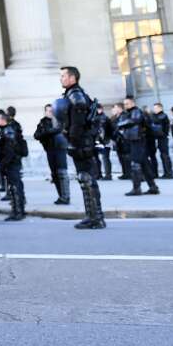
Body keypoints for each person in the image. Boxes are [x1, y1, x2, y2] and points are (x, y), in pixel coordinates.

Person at [58, 66, 105, 229]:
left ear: (73, 78)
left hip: (82, 144)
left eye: (63, 75)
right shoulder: (73, 94)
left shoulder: (76, 96)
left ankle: (96, 218)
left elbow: (77, 124)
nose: (61, 78)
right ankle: (92, 216)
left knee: (87, 179)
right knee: (84, 179)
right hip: (81, 143)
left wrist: (72, 141)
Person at [116, 96, 159, 196]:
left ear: (132, 103)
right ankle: (153, 187)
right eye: (125, 104)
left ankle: (136, 188)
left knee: (135, 164)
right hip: (135, 141)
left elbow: (134, 120)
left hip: (138, 141)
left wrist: (121, 124)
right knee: (144, 164)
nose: (125, 106)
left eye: (127, 103)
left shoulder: (136, 111)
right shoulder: (130, 113)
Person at [34, 104, 71, 204]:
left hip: (60, 150)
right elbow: (37, 135)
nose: (50, 113)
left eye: (52, 111)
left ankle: (66, 196)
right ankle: (61, 196)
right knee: (55, 174)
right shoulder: (43, 122)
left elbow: (66, 132)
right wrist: (49, 132)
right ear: (45, 112)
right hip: (50, 150)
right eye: (48, 111)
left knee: (62, 173)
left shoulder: (60, 121)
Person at [0, 111, 27, 221]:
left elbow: (10, 150)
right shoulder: (5, 130)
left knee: (15, 187)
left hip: (12, 163)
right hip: (11, 163)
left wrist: (3, 164)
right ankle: (17, 210)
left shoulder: (8, 130)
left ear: (3, 120)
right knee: (14, 187)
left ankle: (18, 212)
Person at [149, 103, 173, 179]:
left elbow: (156, 121)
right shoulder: (155, 116)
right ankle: (156, 173)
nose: (154, 110)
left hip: (163, 138)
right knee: (156, 156)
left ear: (160, 108)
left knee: (164, 155)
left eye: (156, 108)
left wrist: (150, 116)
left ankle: (168, 173)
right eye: (154, 108)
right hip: (156, 138)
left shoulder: (163, 115)